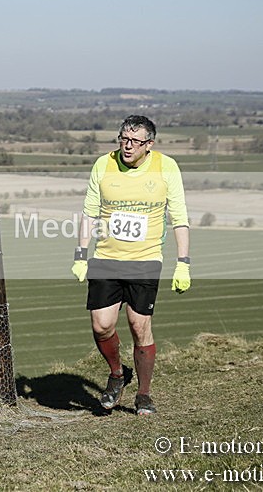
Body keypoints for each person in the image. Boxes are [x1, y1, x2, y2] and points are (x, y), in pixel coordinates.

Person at [71, 115, 191, 415]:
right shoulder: (104, 164)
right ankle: (117, 373)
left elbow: (179, 217)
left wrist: (183, 263)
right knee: (101, 325)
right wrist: (80, 255)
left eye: (135, 141)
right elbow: (89, 213)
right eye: (124, 139)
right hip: (106, 258)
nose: (127, 146)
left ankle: (144, 394)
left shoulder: (166, 167)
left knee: (139, 327)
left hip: (145, 260)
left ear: (149, 144)